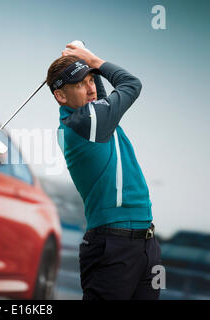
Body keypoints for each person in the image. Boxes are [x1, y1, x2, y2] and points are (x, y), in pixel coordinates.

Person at [46, 42, 162, 300]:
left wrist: (82, 55)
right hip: (113, 244)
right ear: (60, 96)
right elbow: (131, 84)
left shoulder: (95, 115)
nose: (89, 89)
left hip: (145, 243)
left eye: (90, 80)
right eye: (79, 84)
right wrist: (93, 59)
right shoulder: (84, 122)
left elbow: (96, 92)